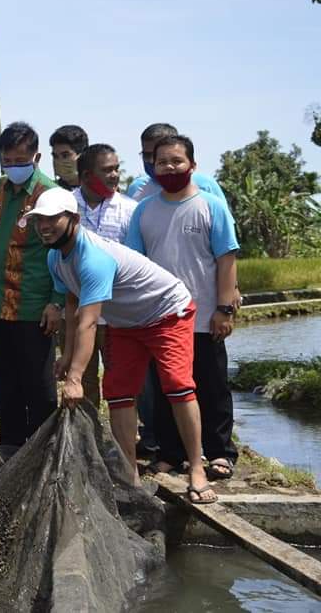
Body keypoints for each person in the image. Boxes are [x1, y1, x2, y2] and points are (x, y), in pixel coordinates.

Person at [32, 187, 217, 504]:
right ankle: (129, 476)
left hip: (167, 311)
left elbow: (91, 321)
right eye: (39, 220)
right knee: (118, 391)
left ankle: (197, 469)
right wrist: (67, 357)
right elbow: (74, 308)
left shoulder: (94, 258)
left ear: (73, 219)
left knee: (176, 384)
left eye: (52, 219)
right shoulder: (55, 258)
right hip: (128, 322)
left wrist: (75, 379)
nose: (44, 226)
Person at [126, 135, 240, 481]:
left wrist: (224, 309)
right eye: (162, 162)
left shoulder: (210, 205)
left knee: (212, 385)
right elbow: (135, 262)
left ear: (192, 165)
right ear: (152, 167)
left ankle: (219, 452)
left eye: (176, 161)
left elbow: (227, 259)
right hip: (160, 319)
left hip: (205, 315)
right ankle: (171, 454)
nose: (169, 167)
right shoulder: (144, 210)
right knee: (165, 390)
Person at [0, 122, 63, 455]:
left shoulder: (50, 193)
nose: (14, 166)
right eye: (8, 160)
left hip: (33, 304)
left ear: (36, 157)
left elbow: (61, 248)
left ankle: (43, 451)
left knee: (38, 386)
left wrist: (57, 302)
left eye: (20, 160)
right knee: (4, 383)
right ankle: (10, 449)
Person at [68, 144, 138, 407]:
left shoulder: (131, 209)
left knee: (121, 379)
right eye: (107, 170)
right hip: (76, 309)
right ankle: (88, 441)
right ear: (86, 176)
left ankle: (127, 441)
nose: (115, 175)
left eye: (117, 169)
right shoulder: (65, 205)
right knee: (81, 382)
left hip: (118, 313)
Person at [128, 123, 226, 201]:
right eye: (147, 155)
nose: (152, 160)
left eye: (157, 155)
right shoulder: (136, 188)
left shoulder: (205, 185)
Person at [49, 125, 88, 190]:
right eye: (55, 156)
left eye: (65, 156)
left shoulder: (99, 191)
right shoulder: (48, 191)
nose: (59, 161)